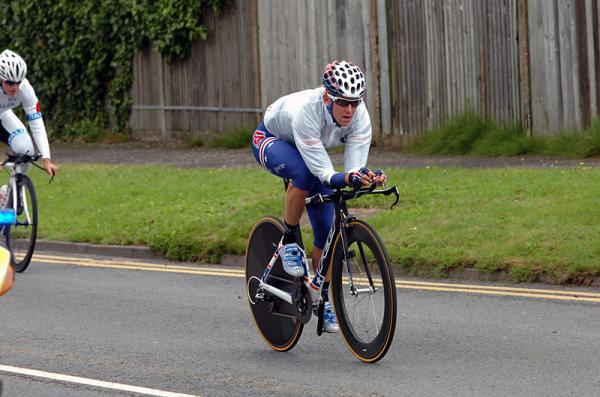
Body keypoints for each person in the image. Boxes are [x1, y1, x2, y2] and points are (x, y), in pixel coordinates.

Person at [251, 60, 387, 333]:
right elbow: (323, 171)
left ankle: (320, 297)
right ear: (327, 97)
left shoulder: (359, 117)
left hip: (308, 149)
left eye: (355, 102)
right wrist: (346, 177)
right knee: (304, 173)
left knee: (326, 231)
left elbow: (352, 171)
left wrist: (364, 176)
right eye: (342, 102)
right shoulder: (307, 112)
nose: (350, 110)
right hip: (271, 139)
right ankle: (289, 237)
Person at [0, 49, 58, 180]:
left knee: (26, 152)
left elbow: (36, 123)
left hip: (3, 114)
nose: (15, 87)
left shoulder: (25, 89)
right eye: (9, 83)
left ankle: (11, 192)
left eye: (18, 82)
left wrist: (46, 159)